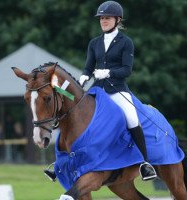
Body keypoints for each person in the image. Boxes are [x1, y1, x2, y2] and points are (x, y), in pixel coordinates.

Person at [79, 1, 157, 181]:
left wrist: (108, 72)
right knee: (75, 112)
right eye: (101, 18)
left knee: (131, 117)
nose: (103, 21)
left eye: (107, 18)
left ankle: (145, 164)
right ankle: (63, 160)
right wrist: (84, 76)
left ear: (117, 19)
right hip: (97, 89)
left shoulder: (126, 42)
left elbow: (126, 70)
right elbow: (88, 67)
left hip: (117, 89)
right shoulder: (94, 43)